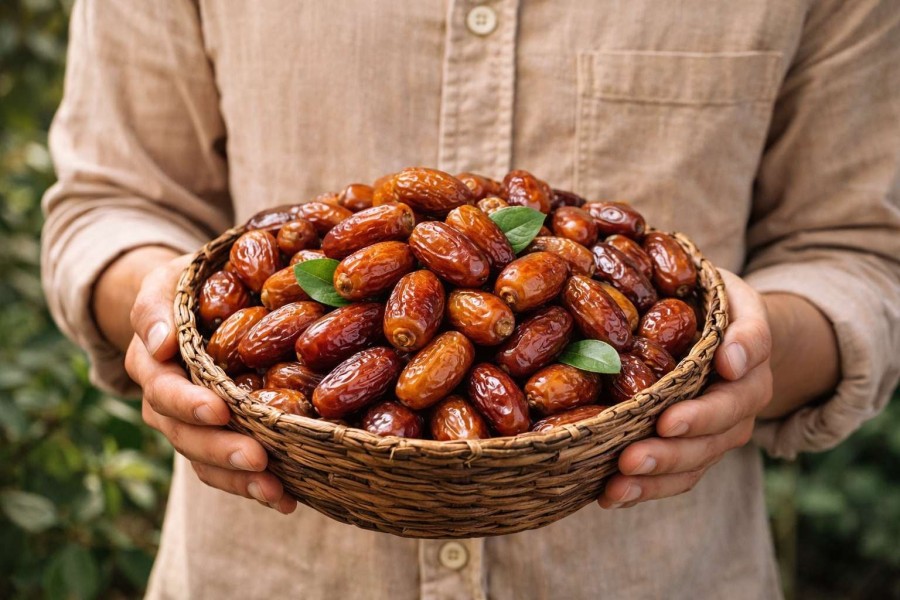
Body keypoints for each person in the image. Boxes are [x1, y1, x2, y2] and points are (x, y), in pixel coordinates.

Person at [41, 1, 899, 598]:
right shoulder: (361, 286)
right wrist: (160, 318)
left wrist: (752, 359)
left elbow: (860, 253)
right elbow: (111, 201)